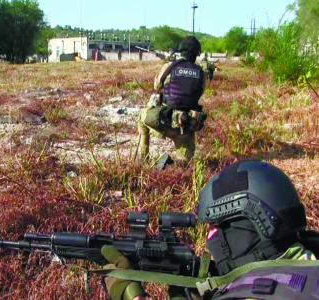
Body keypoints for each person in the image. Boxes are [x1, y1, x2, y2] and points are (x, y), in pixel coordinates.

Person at [101, 160, 318, 300]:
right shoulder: (308, 261)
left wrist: (132, 294)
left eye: (215, 226)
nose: (209, 236)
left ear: (253, 222)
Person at [138, 36, 207, 167]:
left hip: (162, 122)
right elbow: (199, 93)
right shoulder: (201, 73)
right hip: (185, 127)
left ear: (180, 51)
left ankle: (143, 159)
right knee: (184, 164)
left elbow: (157, 86)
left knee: (142, 118)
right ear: (196, 54)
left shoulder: (170, 66)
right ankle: (172, 165)